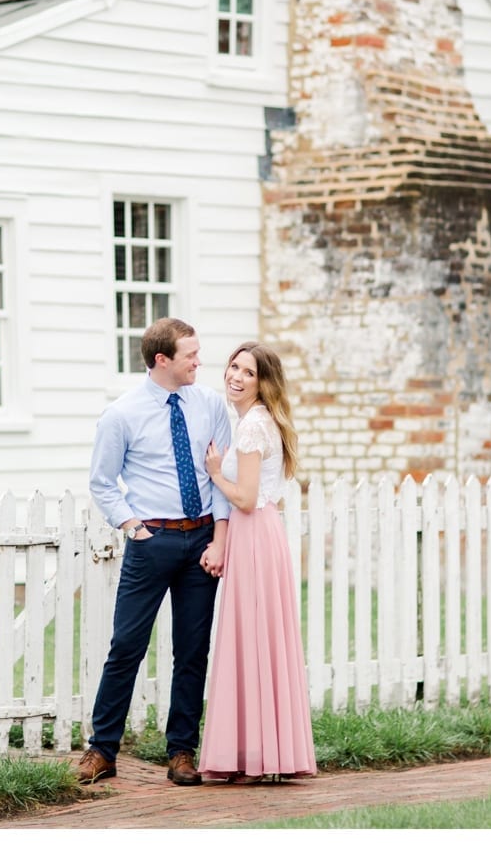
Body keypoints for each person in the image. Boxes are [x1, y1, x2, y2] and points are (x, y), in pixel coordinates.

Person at [76, 317, 233, 787]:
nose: (199, 362)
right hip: (152, 542)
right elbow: (102, 482)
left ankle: (182, 751)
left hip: (202, 539)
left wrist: (220, 539)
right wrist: (133, 526)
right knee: (126, 646)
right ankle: (102, 750)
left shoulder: (210, 405)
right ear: (161, 359)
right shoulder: (121, 414)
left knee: (192, 650)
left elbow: (221, 479)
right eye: (190, 355)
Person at [198, 340, 317, 782]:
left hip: (253, 534)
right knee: (260, 639)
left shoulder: (251, 428)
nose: (236, 377)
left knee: (251, 638)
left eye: (248, 372)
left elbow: (245, 498)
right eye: (233, 367)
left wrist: (214, 473)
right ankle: (262, 753)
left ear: (263, 382)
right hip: (264, 534)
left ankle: (253, 756)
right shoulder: (260, 421)